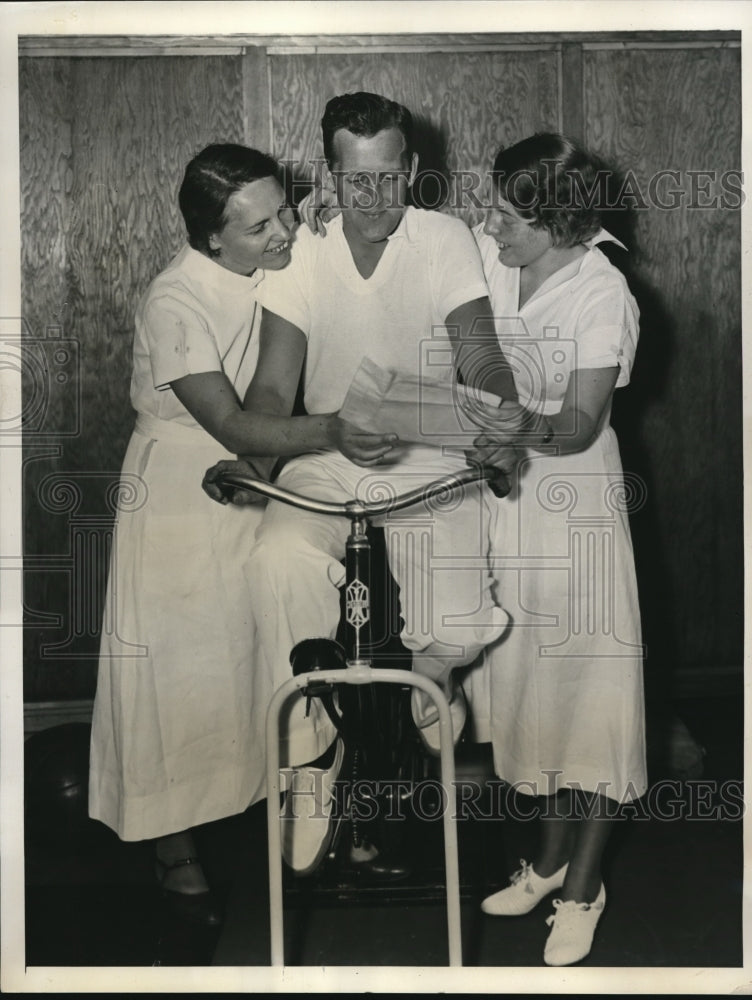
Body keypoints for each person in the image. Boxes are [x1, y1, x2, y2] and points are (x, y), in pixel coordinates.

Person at [204, 92, 519, 875]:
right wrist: (258, 459)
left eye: (387, 179)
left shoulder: (444, 239)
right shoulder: (303, 249)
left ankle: (434, 677)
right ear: (329, 178)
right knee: (275, 558)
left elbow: (477, 355)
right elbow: (274, 391)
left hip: (424, 450)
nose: (373, 199)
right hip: (331, 448)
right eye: (354, 182)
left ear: (410, 170)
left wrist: (497, 416)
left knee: (452, 610)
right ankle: (313, 760)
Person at [88, 143, 394, 926]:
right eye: (260, 227)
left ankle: (286, 809)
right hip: (185, 499)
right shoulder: (174, 299)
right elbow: (227, 424)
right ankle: (173, 844)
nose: (283, 233)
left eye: (285, 211)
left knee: (255, 660)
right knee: (177, 676)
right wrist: (340, 427)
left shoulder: (279, 261)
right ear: (210, 238)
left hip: (262, 481)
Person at [466, 133, 646, 966]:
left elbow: (575, 426)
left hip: (573, 504)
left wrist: (502, 424)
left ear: (555, 221)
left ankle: (583, 888)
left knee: (592, 697)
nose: (488, 223)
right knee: (536, 685)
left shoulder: (601, 291)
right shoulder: (500, 255)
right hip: (509, 500)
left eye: (504, 214)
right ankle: (544, 862)